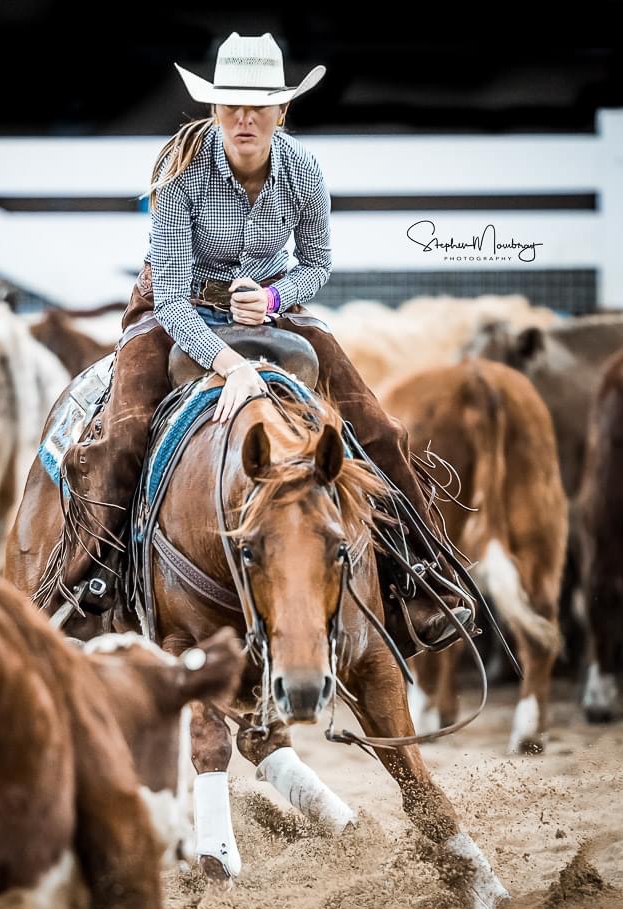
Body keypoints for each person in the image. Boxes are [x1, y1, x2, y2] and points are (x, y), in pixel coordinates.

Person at [53, 32, 472, 654]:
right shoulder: (180, 172)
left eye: (258, 106)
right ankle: (93, 578)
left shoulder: (303, 169)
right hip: (176, 305)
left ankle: (422, 572)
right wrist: (232, 366)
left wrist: (274, 300)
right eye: (231, 105)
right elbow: (170, 298)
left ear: (282, 110)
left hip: (271, 307)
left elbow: (317, 262)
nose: (244, 118)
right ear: (215, 108)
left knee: (377, 427)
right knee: (126, 431)